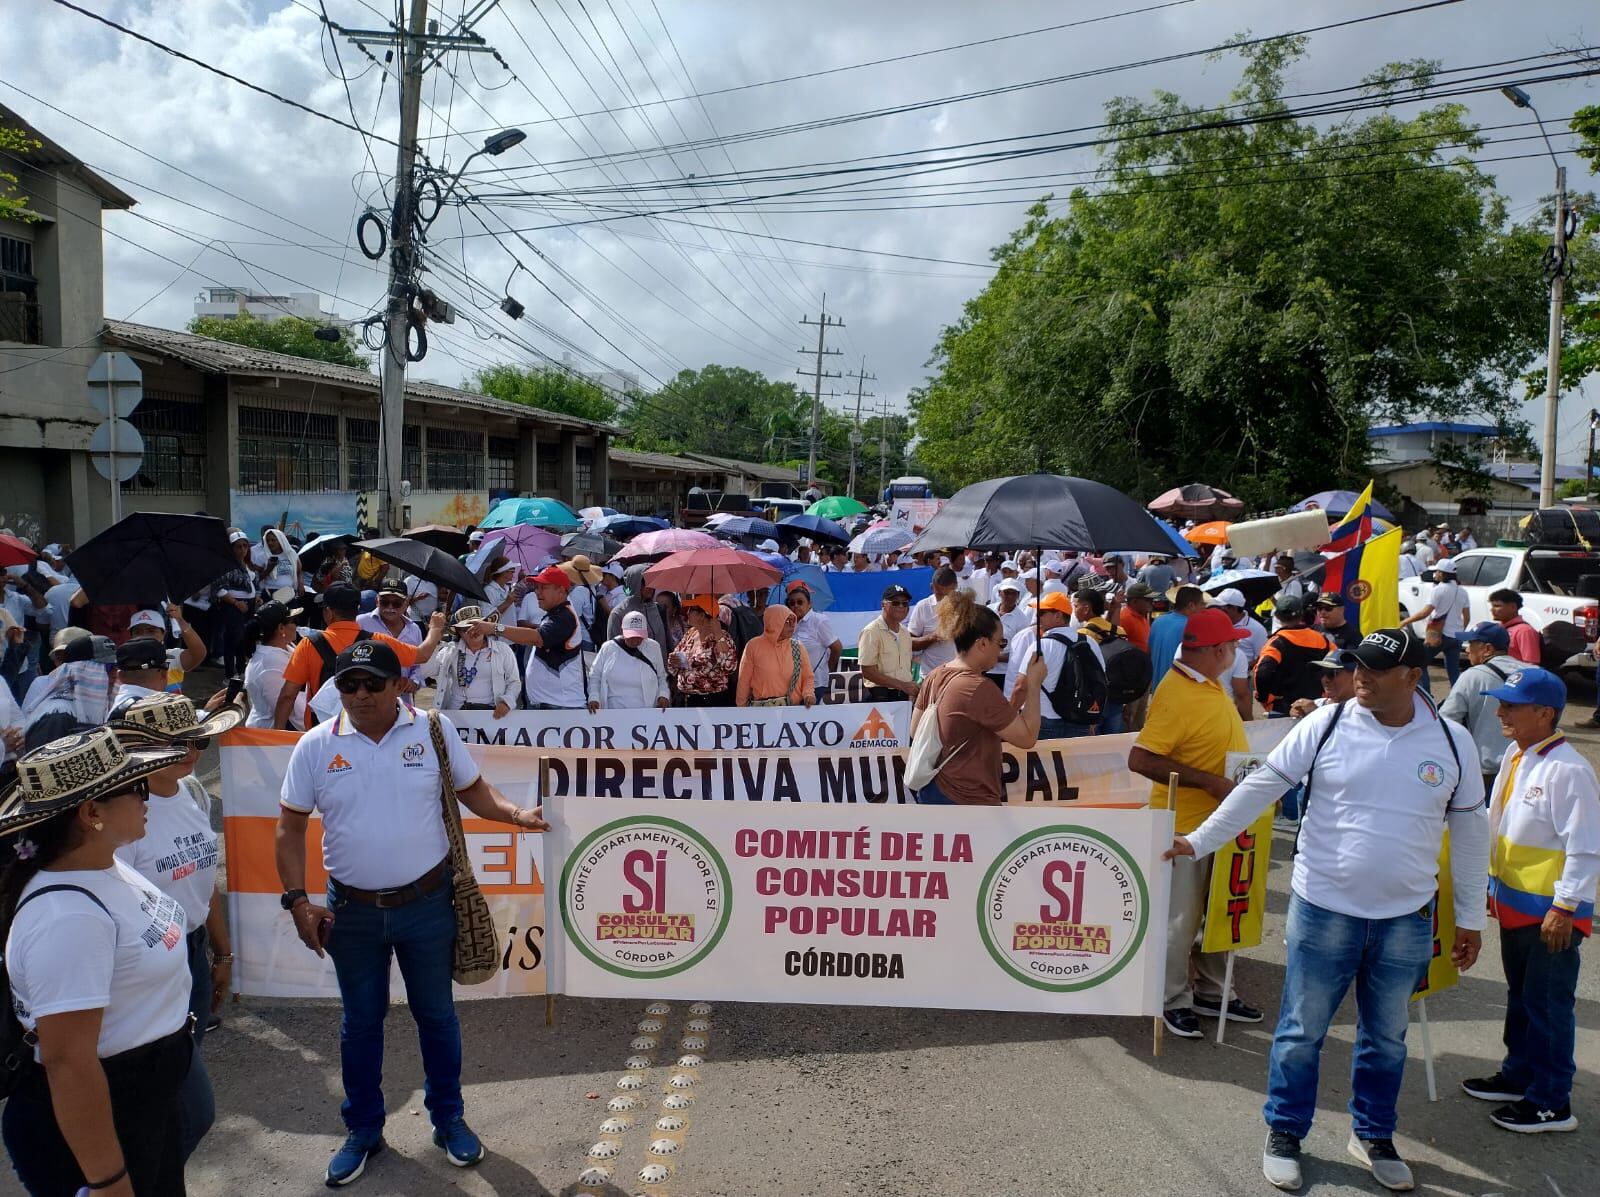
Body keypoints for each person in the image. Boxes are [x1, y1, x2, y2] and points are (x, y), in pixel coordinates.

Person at [1165, 628, 1489, 1193]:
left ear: (1413, 678)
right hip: (1323, 911)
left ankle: (1372, 1136)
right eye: (1357, 664)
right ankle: (1285, 1132)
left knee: (1387, 1039)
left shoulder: (1451, 740)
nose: (1359, 675)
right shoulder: (1327, 723)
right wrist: (1200, 840)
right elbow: (1262, 785)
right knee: (1300, 1032)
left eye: (1375, 669)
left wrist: (1470, 917)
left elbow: (1468, 831)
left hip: (1405, 919)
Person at [276, 640, 549, 1185]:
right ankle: (363, 1130)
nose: (357, 695)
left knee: (437, 1017)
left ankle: (448, 1119)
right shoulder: (314, 745)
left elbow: (473, 791)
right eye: (346, 685)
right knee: (360, 1024)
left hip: (427, 904)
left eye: (370, 683)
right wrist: (297, 901)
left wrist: (518, 814)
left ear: (398, 685)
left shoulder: (433, 730)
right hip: (350, 913)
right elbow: (289, 827)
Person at [0, 727, 193, 1197]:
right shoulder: (67, 919)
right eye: (137, 786)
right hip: (108, 1113)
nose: (150, 795)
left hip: (144, 1097)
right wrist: (108, 1182)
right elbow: (69, 1062)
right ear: (91, 813)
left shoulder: (105, 863)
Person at [1461, 667, 1598, 1134]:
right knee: (1521, 997)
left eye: (1511, 706)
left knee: (1548, 1006)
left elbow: (1585, 847)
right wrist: (1488, 886)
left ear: (1544, 713)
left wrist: (1564, 908)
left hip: (1550, 916)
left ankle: (1551, 1100)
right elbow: (1500, 826)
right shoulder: (1517, 756)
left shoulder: (1569, 770)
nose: (1500, 712)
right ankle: (1518, 1075)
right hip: (1517, 907)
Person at [110, 693, 243, 1162]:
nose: (193, 751)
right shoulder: (123, 815)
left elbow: (203, 881)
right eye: (180, 743)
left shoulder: (192, 793)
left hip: (192, 954)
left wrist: (221, 955)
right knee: (183, 1107)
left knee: (180, 1096)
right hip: (146, 971)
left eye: (198, 741)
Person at [1128, 607, 1258, 1040]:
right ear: (1218, 650)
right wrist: (1211, 783)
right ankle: (1171, 999)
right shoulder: (1177, 691)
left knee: (1217, 912)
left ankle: (1213, 992)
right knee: (1180, 922)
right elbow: (1140, 758)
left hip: (1218, 821)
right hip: (1183, 826)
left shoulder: (1207, 682)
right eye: (1234, 645)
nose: (1237, 650)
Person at [909, 591, 1048, 805]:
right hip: (969, 798)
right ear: (982, 643)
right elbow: (1027, 738)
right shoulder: (978, 688)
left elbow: (915, 729)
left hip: (933, 789)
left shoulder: (935, 675)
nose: (1002, 649)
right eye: (1001, 642)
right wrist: (1034, 684)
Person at [273, 583, 443, 729]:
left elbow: (288, 695)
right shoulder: (379, 641)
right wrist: (435, 628)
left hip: (324, 732)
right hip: (368, 731)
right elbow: (422, 655)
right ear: (357, 609)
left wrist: (277, 735)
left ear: (328, 612)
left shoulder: (308, 645)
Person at [1440, 622, 1521, 791]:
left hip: (1486, 771)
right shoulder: (1531, 672)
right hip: (1526, 765)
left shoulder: (1472, 676)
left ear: (1487, 649)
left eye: (1471, 644)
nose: (1467, 649)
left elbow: (1446, 722)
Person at [497, 566, 589, 711]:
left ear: (560, 590)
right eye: (536, 587)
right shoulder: (556, 614)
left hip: (562, 708)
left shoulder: (565, 617)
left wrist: (495, 628)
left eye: (543, 587)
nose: (537, 592)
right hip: (553, 706)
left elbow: (536, 638)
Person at [1012, 592, 1102, 739]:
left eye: (1042, 612)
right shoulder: (1090, 643)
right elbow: (1099, 682)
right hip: (1080, 719)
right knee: (1073, 763)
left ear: (1058, 616)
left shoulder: (1041, 646)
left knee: (1043, 762)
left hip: (1043, 721)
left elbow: (1021, 687)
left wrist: (1010, 718)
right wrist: (1092, 720)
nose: (1037, 616)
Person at [22, 634, 117, 749]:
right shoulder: (56, 717)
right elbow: (40, 765)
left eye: (116, 667)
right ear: (80, 671)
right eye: (109, 668)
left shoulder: (101, 707)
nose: (115, 675)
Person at [425, 606, 520, 717]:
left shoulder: (503, 650)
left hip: (491, 715)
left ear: (485, 627)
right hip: (457, 716)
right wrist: (434, 641)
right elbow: (426, 671)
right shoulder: (450, 651)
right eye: (466, 628)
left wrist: (506, 702)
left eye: (477, 626)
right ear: (459, 632)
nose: (473, 631)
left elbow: (514, 682)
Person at [1253, 596, 1335, 718]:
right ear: (1301, 614)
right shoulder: (1322, 639)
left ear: (1277, 616)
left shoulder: (1276, 642)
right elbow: (1338, 666)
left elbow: (1262, 673)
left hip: (1285, 709)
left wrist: (1265, 698)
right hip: (1315, 707)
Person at [666, 595, 738, 707]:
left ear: (702, 615)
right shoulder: (690, 634)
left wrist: (718, 635)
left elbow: (729, 666)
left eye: (691, 610)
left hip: (711, 701)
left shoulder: (722, 637)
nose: (687, 613)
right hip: (685, 698)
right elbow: (674, 665)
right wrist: (674, 661)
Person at [735, 606, 815, 707]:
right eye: (787, 621)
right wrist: (741, 710)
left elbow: (808, 677)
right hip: (761, 713)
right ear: (774, 623)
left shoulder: (798, 647)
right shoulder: (753, 646)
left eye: (792, 621)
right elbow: (744, 682)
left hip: (792, 712)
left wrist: (808, 694)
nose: (792, 625)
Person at [591, 610, 670, 711]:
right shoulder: (608, 648)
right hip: (613, 711)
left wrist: (663, 695)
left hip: (646, 711)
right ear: (622, 631)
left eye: (639, 636)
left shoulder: (653, 647)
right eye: (632, 636)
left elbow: (661, 677)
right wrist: (594, 697)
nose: (636, 640)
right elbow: (595, 675)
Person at [243, 600, 301, 729]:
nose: (297, 625)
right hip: (270, 738)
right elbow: (286, 707)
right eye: (293, 621)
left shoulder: (286, 647)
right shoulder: (269, 663)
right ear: (281, 628)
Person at [356, 582, 424, 691]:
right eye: (385, 602)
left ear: (406, 603)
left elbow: (417, 665)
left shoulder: (414, 629)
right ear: (377, 601)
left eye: (397, 603)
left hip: (403, 697)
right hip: (368, 693)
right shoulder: (360, 623)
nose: (390, 607)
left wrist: (414, 681)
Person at [857, 584, 918, 702]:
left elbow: (906, 668)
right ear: (883, 605)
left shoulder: (905, 632)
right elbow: (868, 672)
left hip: (903, 697)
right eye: (895, 603)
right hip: (880, 697)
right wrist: (902, 685)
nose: (901, 606)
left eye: (905, 603)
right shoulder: (871, 631)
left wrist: (907, 689)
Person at [212, 530, 260, 677]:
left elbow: (255, 584)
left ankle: (241, 669)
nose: (242, 550)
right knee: (232, 640)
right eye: (238, 546)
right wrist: (236, 603)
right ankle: (230, 674)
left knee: (243, 639)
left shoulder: (248, 565)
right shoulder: (226, 566)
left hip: (249, 605)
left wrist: (257, 596)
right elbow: (218, 589)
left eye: (245, 546)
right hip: (233, 606)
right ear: (231, 548)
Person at [785, 582, 840, 704]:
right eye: (791, 603)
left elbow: (836, 647)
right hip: (791, 684)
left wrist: (827, 668)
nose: (795, 605)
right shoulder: (787, 623)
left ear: (809, 604)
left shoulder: (819, 621)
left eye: (800, 602)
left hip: (815, 683)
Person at [603, 564, 671, 661]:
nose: (649, 586)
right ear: (635, 583)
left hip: (659, 672)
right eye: (644, 582)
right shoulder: (619, 613)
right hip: (632, 673)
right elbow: (612, 650)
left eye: (652, 581)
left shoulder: (659, 609)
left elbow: (668, 642)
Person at [1148, 585, 1206, 690]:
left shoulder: (1157, 622)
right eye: (1202, 604)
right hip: (1177, 691)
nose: (1204, 607)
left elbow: (1149, 652)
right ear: (1191, 605)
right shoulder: (1191, 627)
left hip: (1158, 689)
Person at [907, 567, 958, 674]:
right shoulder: (923, 607)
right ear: (931, 587)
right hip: (930, 674)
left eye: (947, 594)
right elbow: (909, 642)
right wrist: (933, 637)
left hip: (958, 675)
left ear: (956, 587)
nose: (943, 599)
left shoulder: (967, 606)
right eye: (939, 594)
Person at [1488, 589, 1543, 666]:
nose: (1492, 610)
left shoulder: (1525, 631)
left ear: (1513, 607)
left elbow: (1531, 664)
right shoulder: (1498, 629)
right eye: (1492, 606)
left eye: (1497, 606)